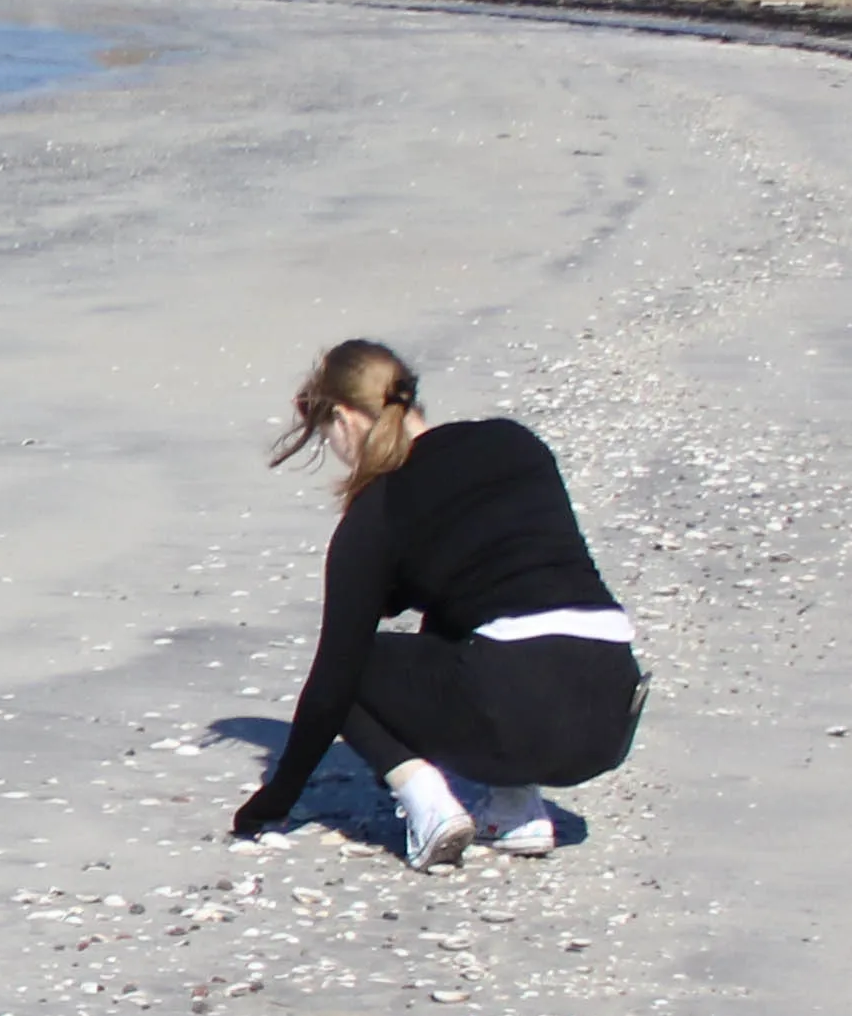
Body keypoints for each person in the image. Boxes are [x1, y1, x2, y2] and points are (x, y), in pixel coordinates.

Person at [224, 338, 642, 868]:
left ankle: (429, 805)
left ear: (346, 419)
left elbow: (332, 686)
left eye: (328, 435)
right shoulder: (513, 443)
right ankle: (517, 811)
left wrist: (272, 803)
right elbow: (501, 574)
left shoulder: (377, 510)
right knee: (474, 630)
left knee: (356, 667)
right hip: (608, 710)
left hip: (515, 704)